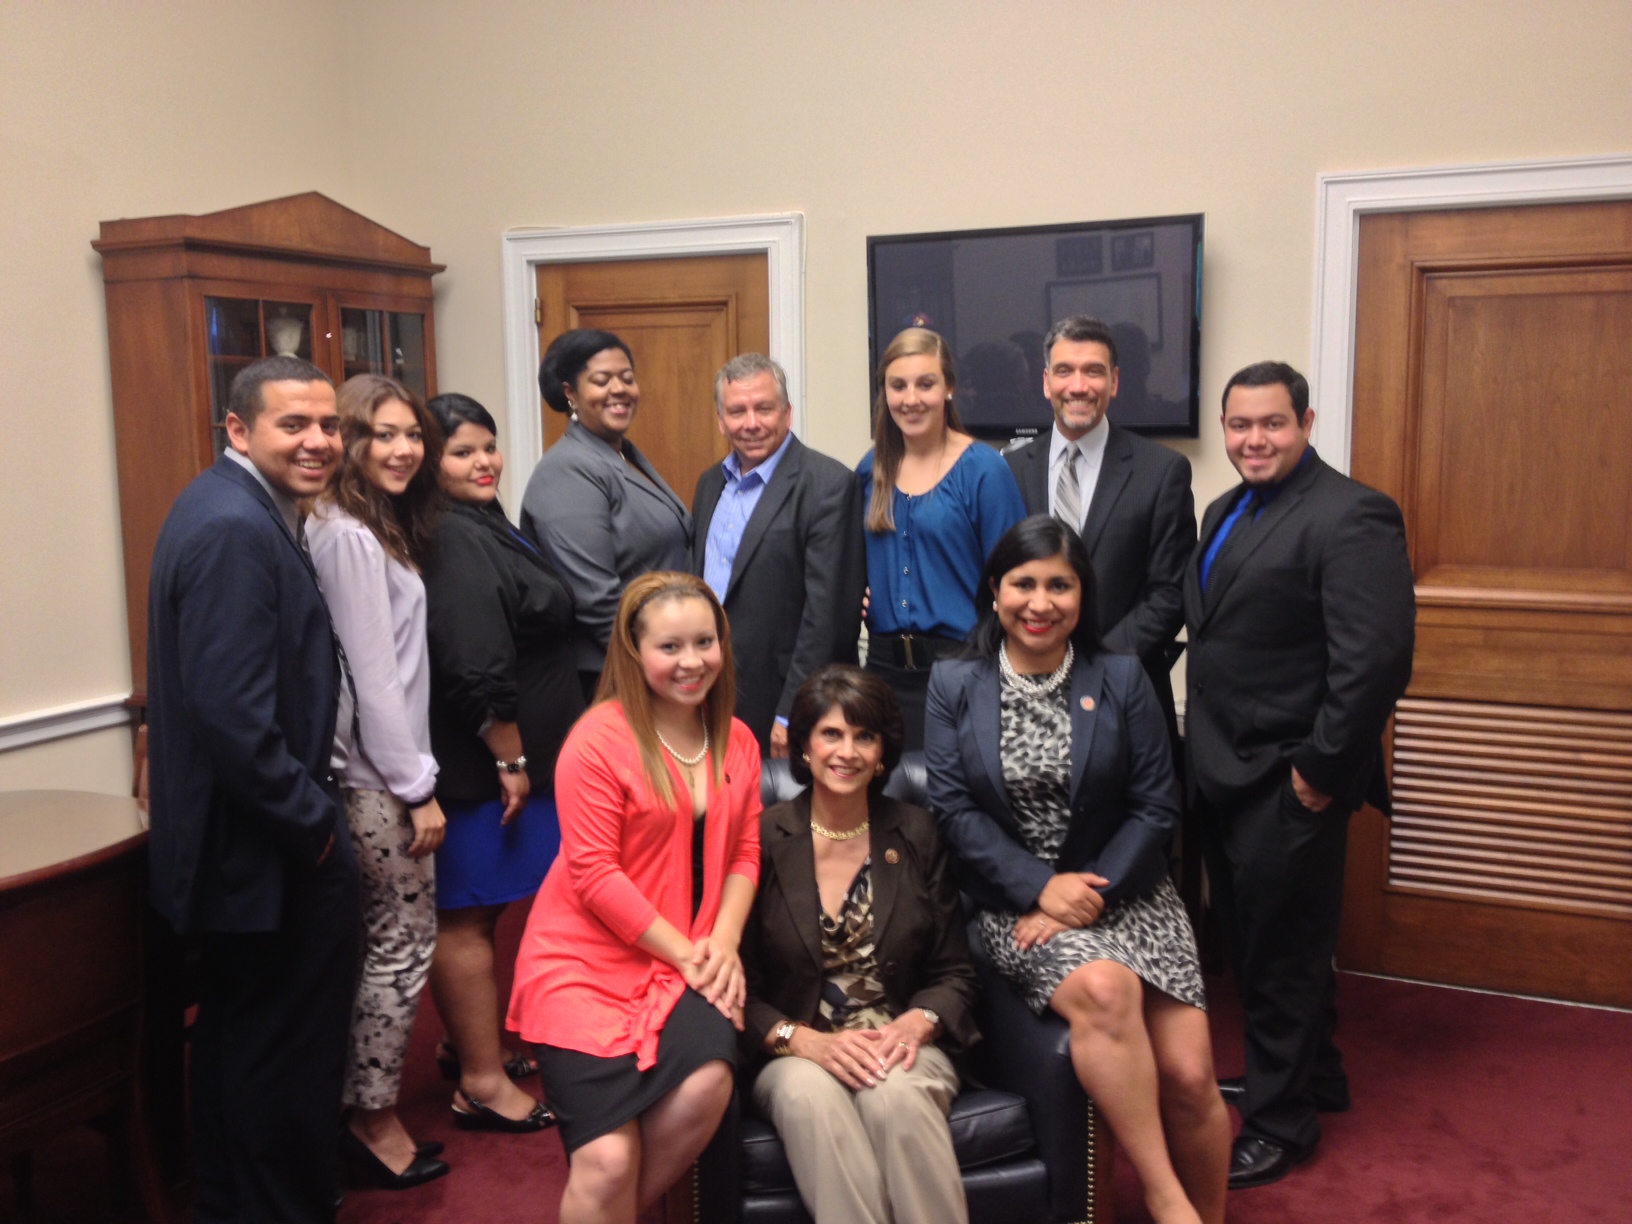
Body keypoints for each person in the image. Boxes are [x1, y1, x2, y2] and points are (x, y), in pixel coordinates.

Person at [926, 516, 1229, 1224]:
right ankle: (1163, 1198)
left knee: (1188, 1076)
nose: (1041, 602)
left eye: (1059, 585)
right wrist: (1040, 888)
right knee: (1103, 986)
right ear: (994, 591)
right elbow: (953, 810)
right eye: (1023, 584)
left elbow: (1157, 806)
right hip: (1013, 904)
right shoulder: (955, 683)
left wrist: (1083, 893)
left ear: (1082, 595)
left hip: (1129, 895)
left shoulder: (1121, 676)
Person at [1184, 361, 1414, 1188]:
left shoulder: (1352, 514)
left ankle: (1283, 1124)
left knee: (1281, 956)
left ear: (1306, 422)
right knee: (1257, 944)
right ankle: (1315, 1075)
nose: (1254, 440)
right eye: (1239, 425)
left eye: (1272, 424)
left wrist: (1318, 772)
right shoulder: (1226, 509)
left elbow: (1376, 661)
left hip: (1289, 778)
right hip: (1221, 770)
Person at [146, 355, 361, 1223]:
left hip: (254, 849)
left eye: (328, 425)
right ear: (238, 430)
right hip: (267, 854)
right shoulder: (234, 527)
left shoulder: (237, 506)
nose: (318, 442)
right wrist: (316, 827)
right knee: (281, 1060)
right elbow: (233, 718)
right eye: (293, 425)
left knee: (245, 1052)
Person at [508, 572, 762, 1224]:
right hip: (585, 963)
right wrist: (689, 955)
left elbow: (743, 854)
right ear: (632, 650)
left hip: (690, 959)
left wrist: (724, 943)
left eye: (704, 642)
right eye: (669, 647)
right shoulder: (597, 740)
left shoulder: (737, 739)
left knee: (707, 1082)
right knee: (607, 1164)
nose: (691, 662)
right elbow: (594, 875)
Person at [742, 664, 978, 1224]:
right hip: (794, 1048)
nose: (847, 751)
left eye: (864, 736)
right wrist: (798, 1039)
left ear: (882, 753)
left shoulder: (917, 833)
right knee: (809, 1097)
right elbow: (736, 986)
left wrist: (918, 1022)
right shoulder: (763, 838)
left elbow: (956, 974)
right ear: (802, 746)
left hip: (900, 1041)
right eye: (831, 733)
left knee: (893, 1095)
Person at [306, 373, 449, 1189]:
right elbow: (372, 676)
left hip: (376, 776)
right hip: (376, 781)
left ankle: (362, 1108)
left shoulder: (364, 524)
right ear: (350, 443)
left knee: (381, 947)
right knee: (401, 950)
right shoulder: (349, 537)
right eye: (381, 435)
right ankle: (371, 1118)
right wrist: (413, 782)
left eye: (411, 434)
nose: (402, 449)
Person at [421, 392, 579, 1133]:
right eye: (462, 452)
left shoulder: (483, 522)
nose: (484, 462)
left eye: (488, 445)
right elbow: (475, 663)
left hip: (513, 766)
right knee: (469, 918)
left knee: (484, 912)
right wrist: (511, 761)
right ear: (430, 462)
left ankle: (469, 1044)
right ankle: (480, 1083)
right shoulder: (452, 538)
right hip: (482, 772)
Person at [1004, 315, 1195, 751]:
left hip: (1124, 696)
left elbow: (1169, 594)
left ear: (1114, 381)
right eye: (1066, 371)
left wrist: (1091, 663)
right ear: (1046, 382)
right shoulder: (1008, 470)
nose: (1079, 386)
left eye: (1093, 371)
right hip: (1023, 695)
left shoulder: (1161, 472)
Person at [858, 327, 1026, 749]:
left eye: (925, 384)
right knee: (888, 803)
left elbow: (1016, 581)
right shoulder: (870, 470)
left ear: (949, 388)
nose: (911, 398)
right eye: (898, 385)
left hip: (963, 669)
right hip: (882, 672)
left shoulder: (984, 470)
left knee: (951, 806)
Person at [692, 353, 865, 758]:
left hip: (781, 702)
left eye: (763, 408)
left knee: (778, 818)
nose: (751, 423)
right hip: (707, 695)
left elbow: (827, 618)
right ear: (721, 420)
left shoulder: (827, 484)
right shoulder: (708, 484)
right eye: (737, 411)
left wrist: (793, 714)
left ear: (787, 413)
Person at [521, 329, 693, 700]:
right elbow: (596, 599)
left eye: (627, 378)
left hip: (658, 663)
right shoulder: (567, 470)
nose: (620, 389)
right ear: (571, 393)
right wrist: (655, 668)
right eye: (602, 380)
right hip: (618, 676)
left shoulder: (620, 455)